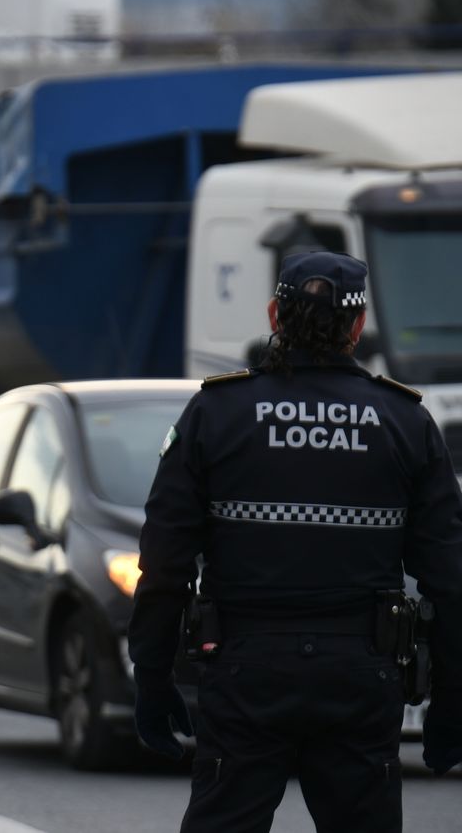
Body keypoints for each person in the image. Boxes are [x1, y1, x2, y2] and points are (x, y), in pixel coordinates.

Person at [129, 251, 462, 832]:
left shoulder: (217, 411)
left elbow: (164, 565)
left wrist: (152, 676)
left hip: (244, 671)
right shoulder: (406, 421)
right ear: (358, 326)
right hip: (362, 675)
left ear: (274, 315)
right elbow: (450, 578)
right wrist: (454, 697)